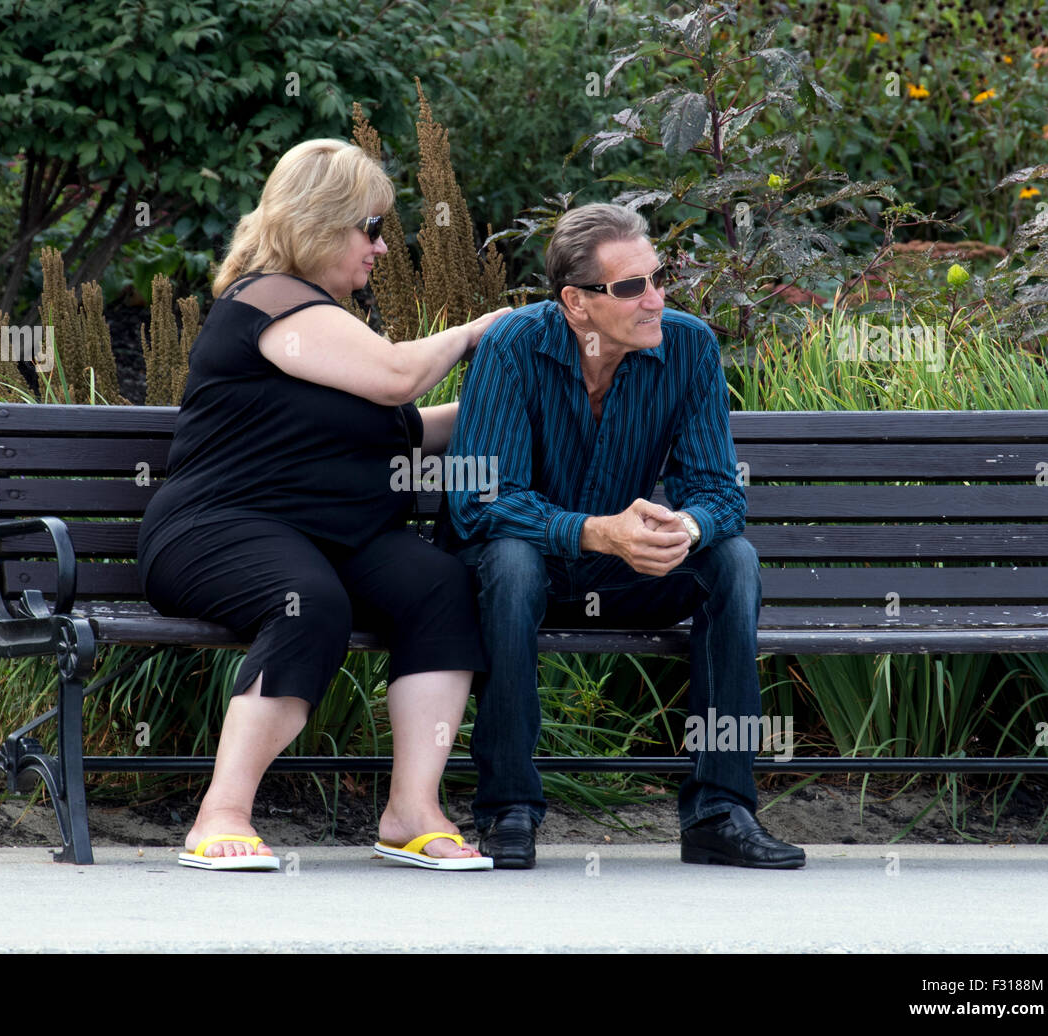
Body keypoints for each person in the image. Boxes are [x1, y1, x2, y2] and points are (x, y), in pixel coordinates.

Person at [137, 139, 509, 871]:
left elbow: (410, 422)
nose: (380, 247)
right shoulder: (270, 299)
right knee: (308, 601)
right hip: (218, 526)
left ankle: (412, 810)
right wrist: (476, 333)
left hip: (335, 533)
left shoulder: (332, 326)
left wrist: (509, 395)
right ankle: (222, 812)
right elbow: (401, 376)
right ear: (319, 220)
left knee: (440, 586)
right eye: (370, 227)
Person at [440, 202, 805, 870]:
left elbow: (720, 493)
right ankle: (508, 807)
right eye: (632, 286)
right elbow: (480, 504)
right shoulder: (513, 345)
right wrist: (594, 532)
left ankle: (720, 811)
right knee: (514, 562)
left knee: (733, 560)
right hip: (525, 570)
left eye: (659, 277)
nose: (655, 298)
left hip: (620, 570)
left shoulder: (688, 346)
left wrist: (685, 527)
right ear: (576, 303)